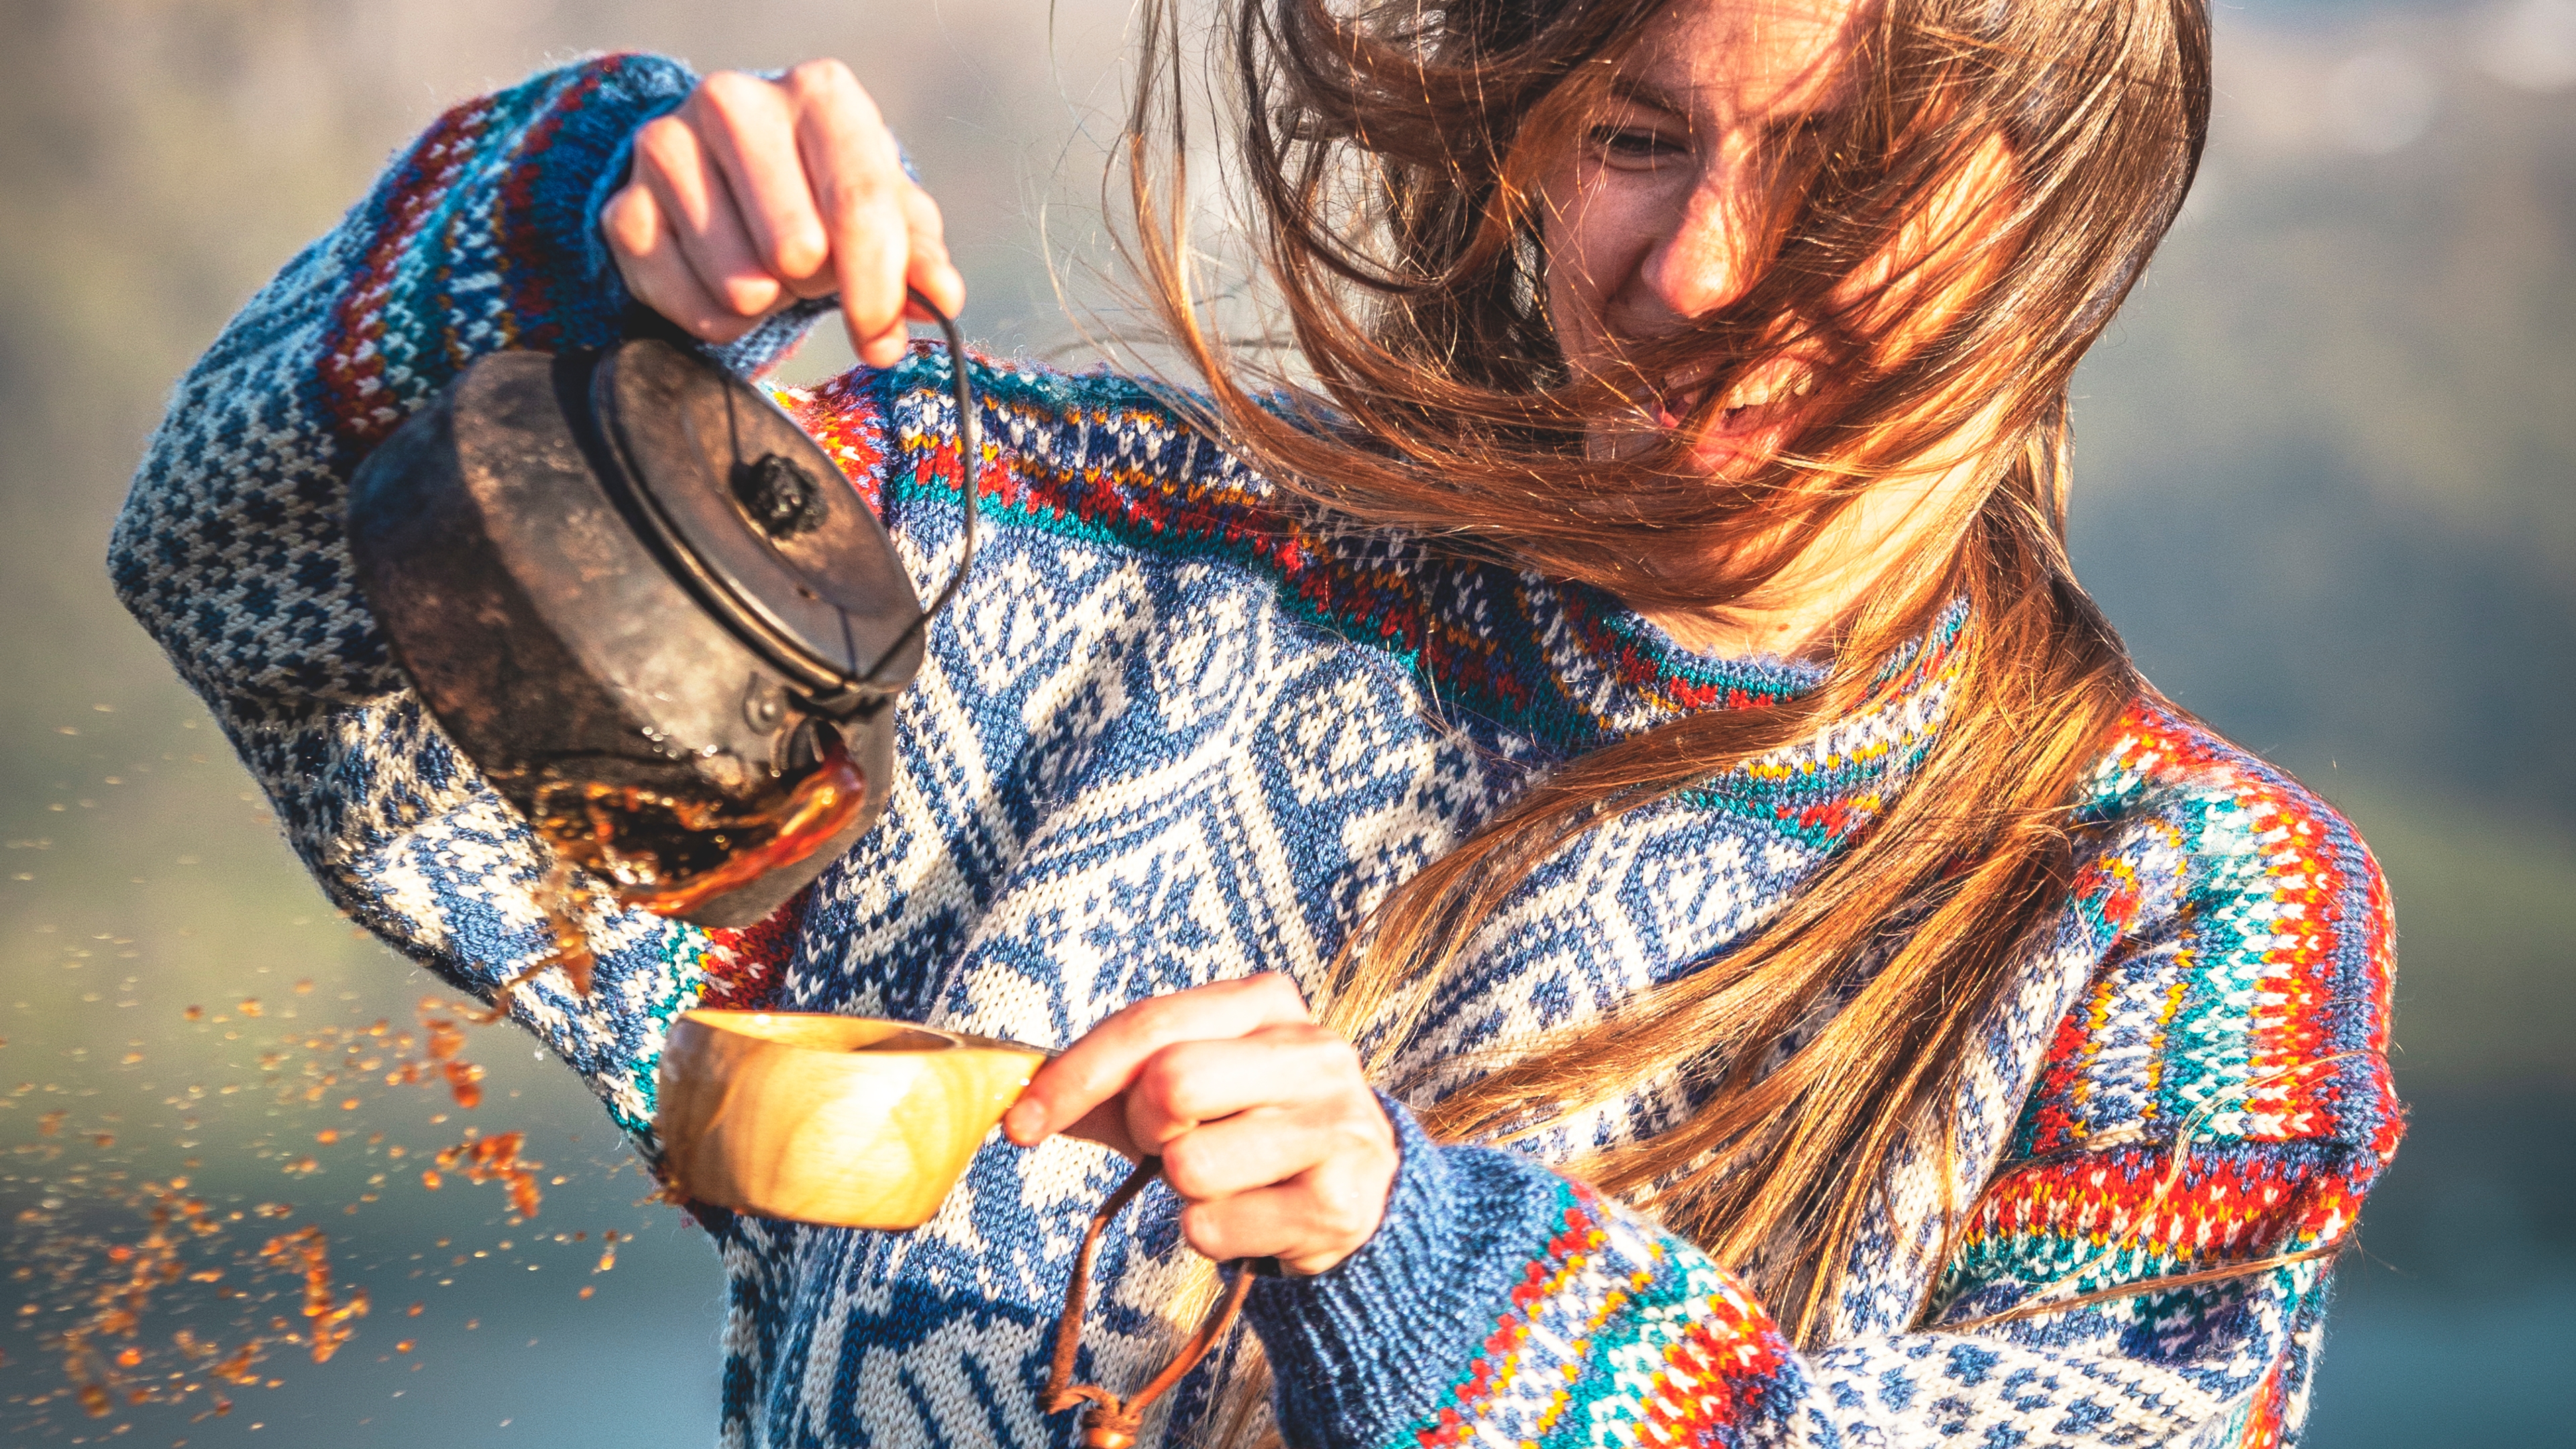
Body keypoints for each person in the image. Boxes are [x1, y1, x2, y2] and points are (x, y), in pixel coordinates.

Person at [109, 0, 2400, 1444]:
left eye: (1848, 164)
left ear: (2060, 220)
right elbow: (265, 579)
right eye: (1637, 129)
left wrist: (1434, 1286)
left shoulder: (2181, 914)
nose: (1703, 265)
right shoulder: (1075, 556)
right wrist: (568, 259)